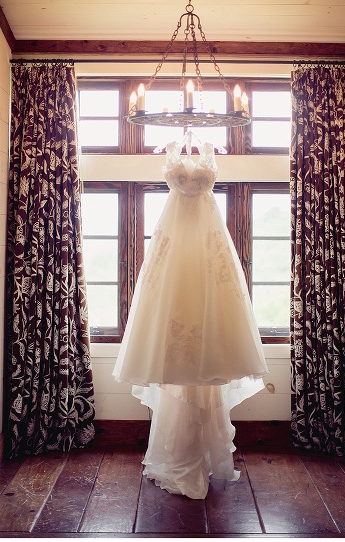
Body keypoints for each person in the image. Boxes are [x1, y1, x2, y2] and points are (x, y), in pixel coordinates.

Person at [113, 130, 269, 499]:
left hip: (207, 239)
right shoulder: (173, 153)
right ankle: (180, 458)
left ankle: (201, 457)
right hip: (177, 241)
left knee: (211, 320)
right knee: (175, 320)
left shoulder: (210, 152)